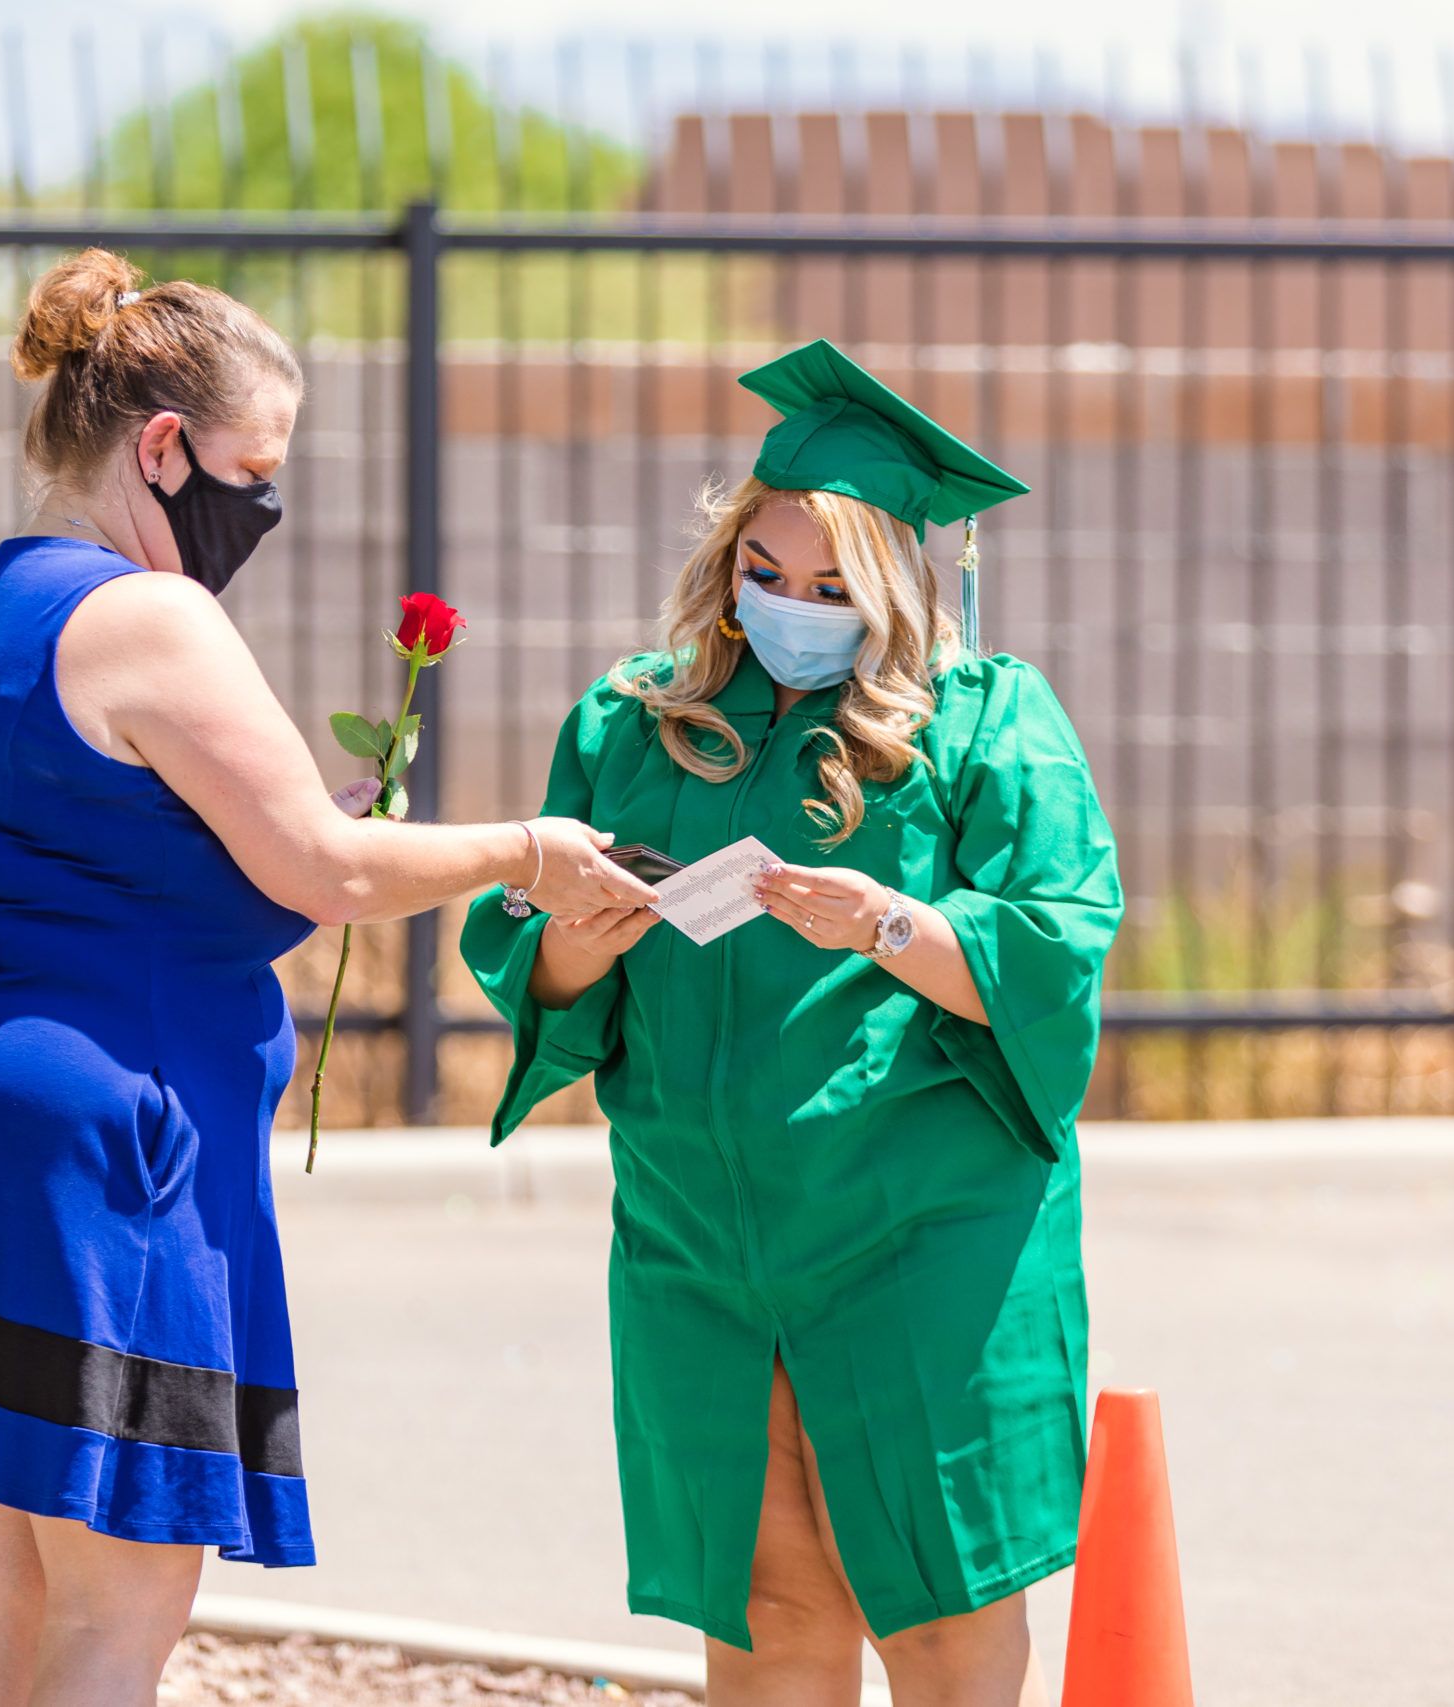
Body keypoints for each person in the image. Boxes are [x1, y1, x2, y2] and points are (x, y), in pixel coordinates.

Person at [0, 248, 656, 1707]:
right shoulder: (152, 617)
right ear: (163, 447)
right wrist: (530, 848)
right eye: (254, 468)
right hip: (84, 1140)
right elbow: (324, 868)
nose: (262, 505)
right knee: (116, 1603)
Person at [459, 340, 1123, 1707]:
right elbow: (533, 962)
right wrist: (577, 945)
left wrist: (891, 920)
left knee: (937, 1604)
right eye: (766, 573)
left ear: (897, 582)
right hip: (697, 1232)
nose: (792, 607)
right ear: (726, 560)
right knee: (765, 1607)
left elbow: (1059, 943)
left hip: (918, 1224)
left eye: (833, 587)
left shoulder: (985, 723)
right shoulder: (642, 721)